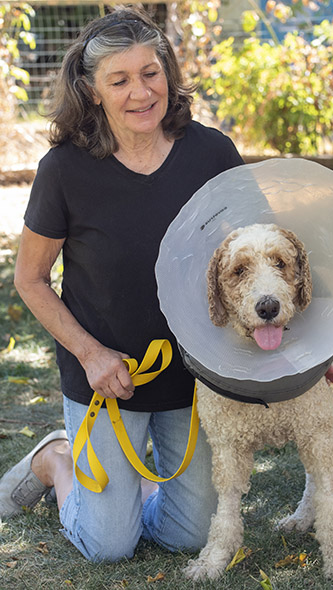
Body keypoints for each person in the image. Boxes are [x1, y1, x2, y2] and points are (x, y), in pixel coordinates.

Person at [0, 6, 244, 562]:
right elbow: (31, 278)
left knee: (193, 537)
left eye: (150, 73)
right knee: (108, 547)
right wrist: (90, 354)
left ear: (168, 73)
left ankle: (130, 493)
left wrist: (299, 352)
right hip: (106, 379)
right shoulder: (64, 169)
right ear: (92, 91)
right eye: (120, 80)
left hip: (196, 371)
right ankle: (57, 458)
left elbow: (253, 259)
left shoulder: (213, 154)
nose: (141, 92)